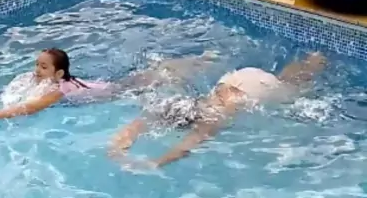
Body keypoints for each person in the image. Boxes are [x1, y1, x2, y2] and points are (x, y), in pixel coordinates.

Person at [109, 52, 326, 169]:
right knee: (289, 81)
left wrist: (154, 163)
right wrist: (117, 151)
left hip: (256, 89)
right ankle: (313, 57)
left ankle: (318, 59)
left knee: (293, 87)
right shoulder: (191, 104)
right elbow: (138, 125)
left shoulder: (213, 116)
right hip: (238, 78)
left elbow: (188, 145)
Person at [0, 47, 219, 129]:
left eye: (43, 67)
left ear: (58, 73)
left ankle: (202, 61)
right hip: (102, 85)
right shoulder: (47, 81)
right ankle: (198, 60)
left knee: (156, 77)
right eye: (37, 65)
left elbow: (31, 108)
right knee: (153, 74)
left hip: (115, 91)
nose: (37, 70)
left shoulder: (58, 90)